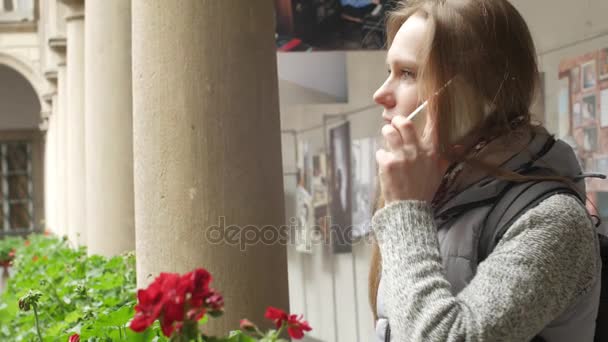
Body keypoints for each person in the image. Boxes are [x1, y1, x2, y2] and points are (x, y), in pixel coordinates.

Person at [368, 0, 602, 341]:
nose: (380, 94)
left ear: (472, 92)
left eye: (407, 73)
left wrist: (405, 212)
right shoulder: (432, 195)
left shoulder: (554, 219)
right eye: (388, 72)